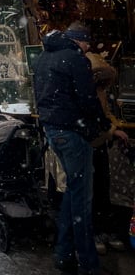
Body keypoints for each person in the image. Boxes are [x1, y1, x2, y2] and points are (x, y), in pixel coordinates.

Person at [33, 22, 111, 275]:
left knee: (73, 193)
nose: (88, 47)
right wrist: (103, 123)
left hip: (54, 130)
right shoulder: (76, 59)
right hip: (73, 132)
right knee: (82, 200)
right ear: (79, 40)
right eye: (87, 42)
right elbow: (88, 98)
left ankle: (63, 253)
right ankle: (88, 263)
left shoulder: (46, 56)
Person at [87, 46, 128, 256]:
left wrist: (113, 124)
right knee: (96, 189)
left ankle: (104, 229)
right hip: (93, 143)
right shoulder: (89, 93)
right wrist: (113, 129)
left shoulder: (100, 91)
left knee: (103, 187)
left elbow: (106, 114)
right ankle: (97, 231)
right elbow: (97, 119)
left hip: (100, 143)